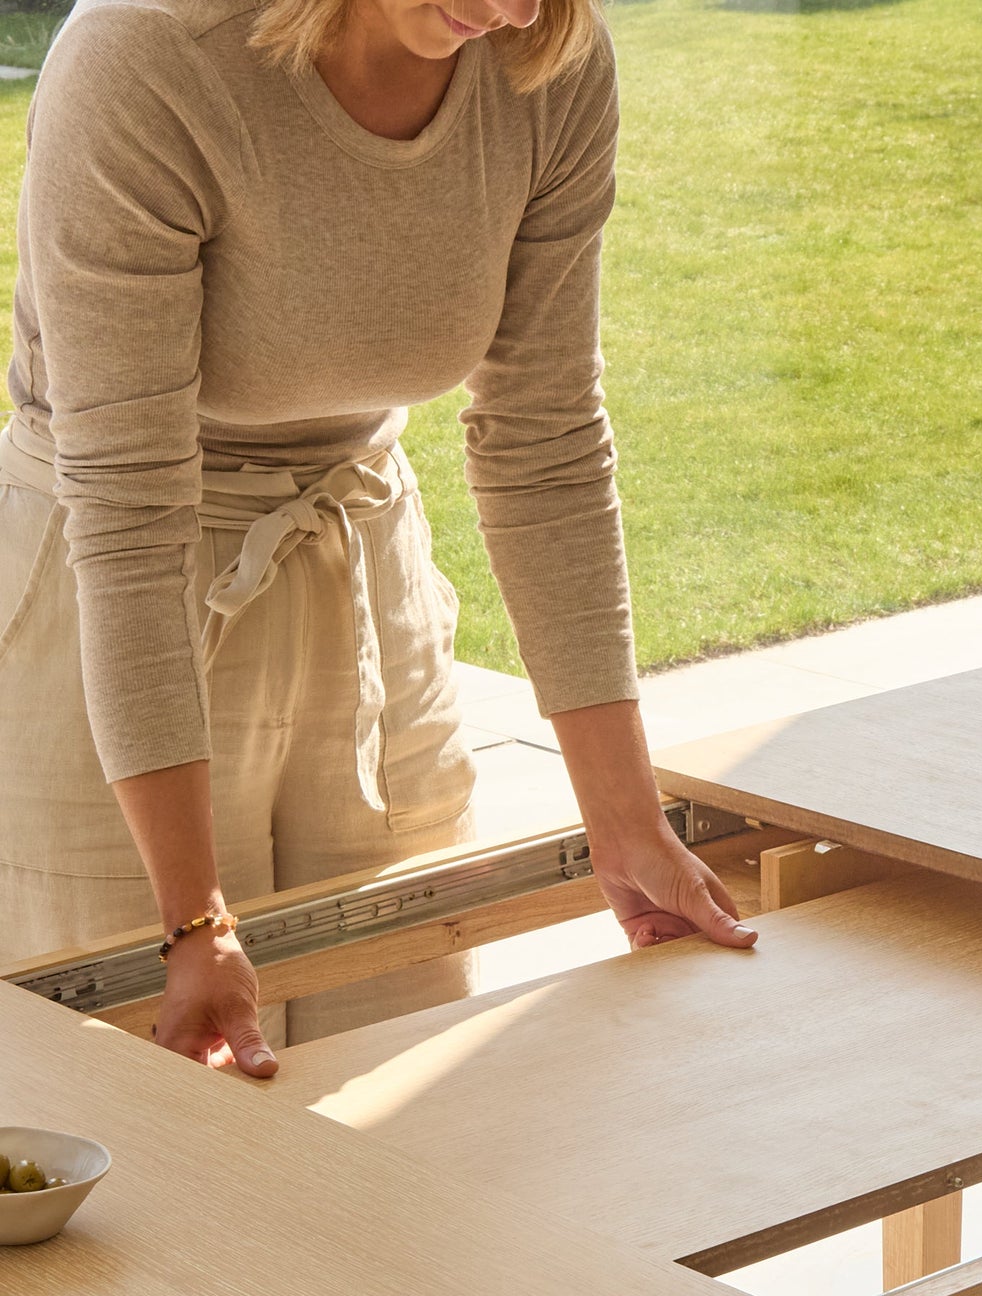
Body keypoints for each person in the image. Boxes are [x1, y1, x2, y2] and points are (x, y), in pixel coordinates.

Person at [0, 0, 757, 1077]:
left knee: (396, 1073)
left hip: (356, 553)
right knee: (129, 1110)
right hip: (106, 590)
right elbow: (128, 509)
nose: (513, 10)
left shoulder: (546, 62)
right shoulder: (150, 54)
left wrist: (625, 820)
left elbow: (543, 445)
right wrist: (190, 919)